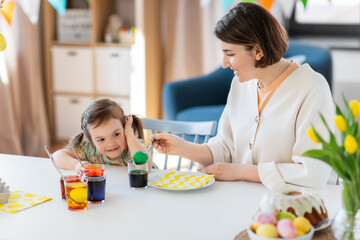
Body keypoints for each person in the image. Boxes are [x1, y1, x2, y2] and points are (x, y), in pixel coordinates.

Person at [151, 2, 336, 190]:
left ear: (257, 51)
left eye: (229, 54)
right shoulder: (241, 84)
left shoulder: (311, 88)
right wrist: (182, 147)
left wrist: (239, 171)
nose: (224, 64)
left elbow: (312, 172)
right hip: (239, 197)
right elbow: (225, 147)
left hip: (287, 204)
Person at [53, 98, 153, 170]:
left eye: (116, 134)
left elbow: (144, 167)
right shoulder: (88, 149)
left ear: (124, 126)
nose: (110, 144)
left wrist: (129, 133)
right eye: (101, 139)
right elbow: (56, 156)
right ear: (90, 139)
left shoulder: (133, 146)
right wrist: (75, 165)